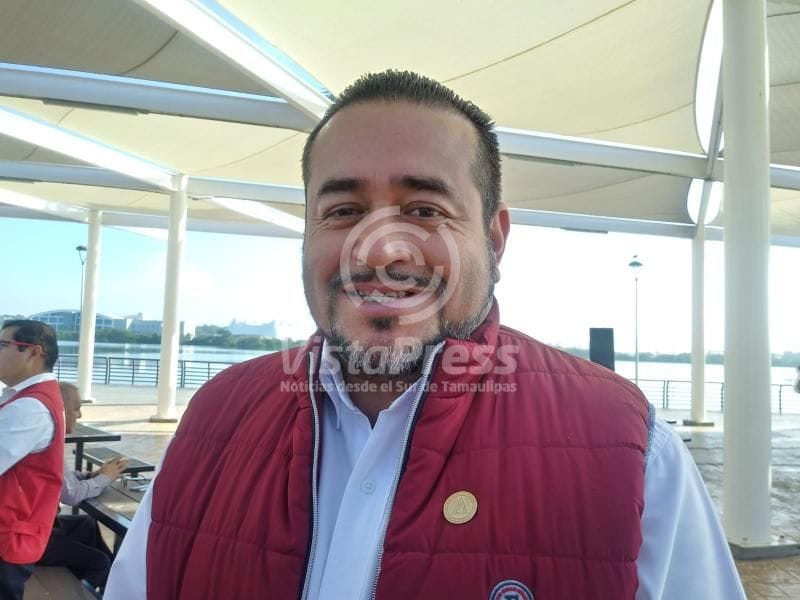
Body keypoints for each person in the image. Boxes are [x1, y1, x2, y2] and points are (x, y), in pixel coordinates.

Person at [106, 71, 745, 599]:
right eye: (344, 211)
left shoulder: (633, 451)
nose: (380, 250)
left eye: (425, 210)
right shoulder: (212, 421)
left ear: (494, 239)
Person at [36, 382, 127, 593]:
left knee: (86, 524)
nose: (80, 415)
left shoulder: (45, 436)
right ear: (60, 409)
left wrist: (92, 475)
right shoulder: (45, 442)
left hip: (44, 525)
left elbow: (62, 479)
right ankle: (82, 591)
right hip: (33, 535)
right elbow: (72, 495)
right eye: (76, 408)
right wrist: (105, 478)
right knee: (99, 563)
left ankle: (114, 584)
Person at [0, 320, 65, 600]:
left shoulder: (30, 406)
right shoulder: (28, 398)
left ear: (34, 352)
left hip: (8, 535)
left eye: (3, 345)